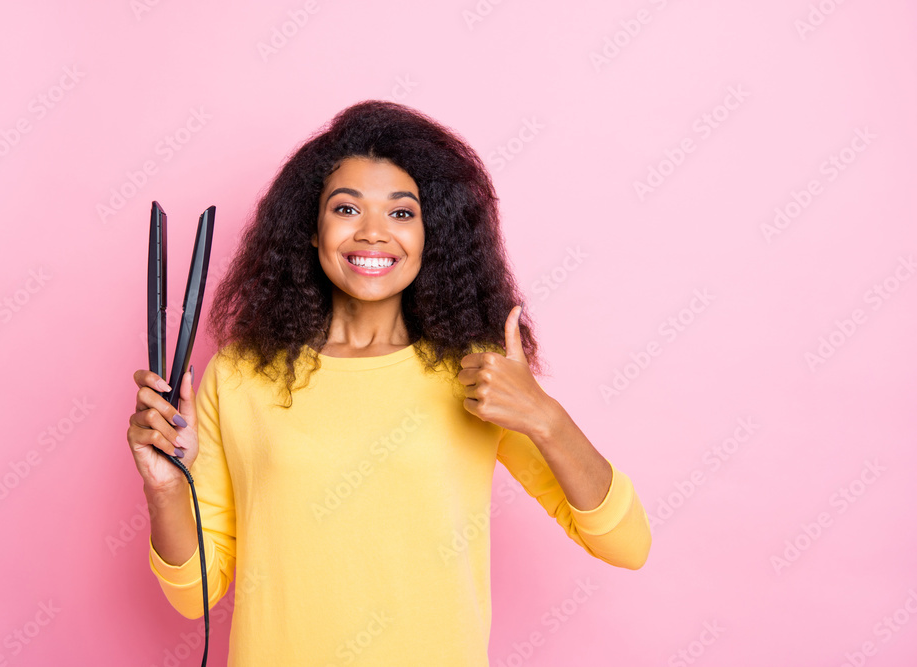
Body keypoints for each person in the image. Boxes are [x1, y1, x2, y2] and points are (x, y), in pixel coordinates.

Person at [126, 100, 652, 666]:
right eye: (346, 208)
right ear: (310, 229)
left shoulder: (475, 373)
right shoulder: (241, 373)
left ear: (434, 235)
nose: (374, 233)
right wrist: (164, 488)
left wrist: (545, 417)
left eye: (402, 214)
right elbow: (194, 595)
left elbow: (627, 545)